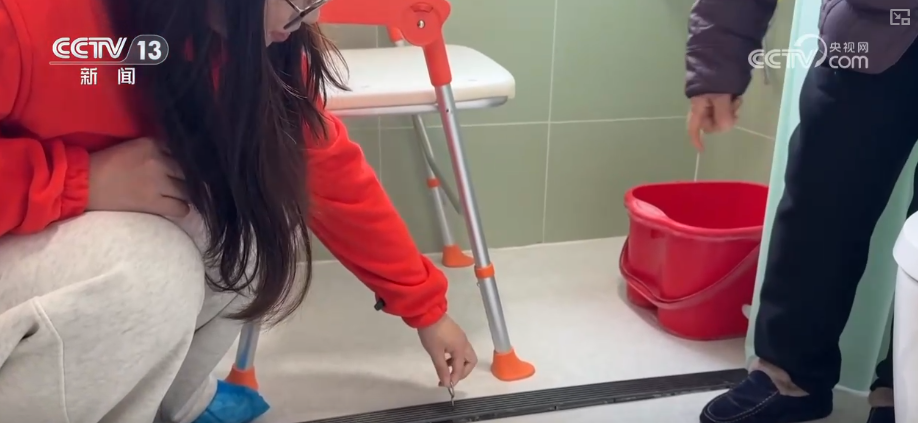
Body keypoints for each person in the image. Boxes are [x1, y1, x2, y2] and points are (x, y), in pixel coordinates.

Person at [0, 0, 479, 422]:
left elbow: (328, 173)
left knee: (250, 225)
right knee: (150, 269)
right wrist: (76, 180)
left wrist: (426, 310)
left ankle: (173, 406)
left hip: (53, 237)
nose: (311, 17)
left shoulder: (243, 43)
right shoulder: (29, 19)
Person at [685, 1, 918, 423]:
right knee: (821, 208)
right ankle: (789, 378)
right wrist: (717, 66)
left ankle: (908, 393)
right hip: (871, 31)